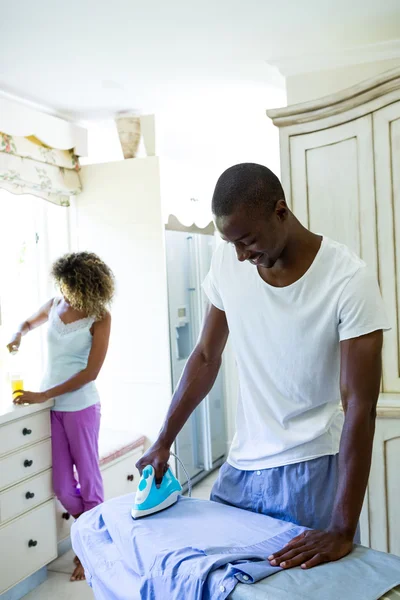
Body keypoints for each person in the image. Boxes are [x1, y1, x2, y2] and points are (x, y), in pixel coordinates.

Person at [137, 163, 389, 572]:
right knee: (222, 584)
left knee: (310, 590)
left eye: (248, 241)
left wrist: (342, 528)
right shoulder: (226, 261)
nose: (240, 255)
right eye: (230, 243)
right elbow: (205, 356)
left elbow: (360, 404)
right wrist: (164, 439)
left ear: (281, 212)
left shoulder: (348, 280)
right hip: (240, 469)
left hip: (311, 470)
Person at [8, 251, 114, 582]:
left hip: (81, 407)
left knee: (89, 480)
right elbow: (28, 322)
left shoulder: (100, 316)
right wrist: (17, 333)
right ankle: (97, 533)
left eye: (70, 286)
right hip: (50, 409)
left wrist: (43, 395)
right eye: (62, 285)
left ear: (85, 285)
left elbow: (91, 372)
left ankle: (88, 553)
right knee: (62, 487)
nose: (65, 291)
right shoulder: (55, 304)